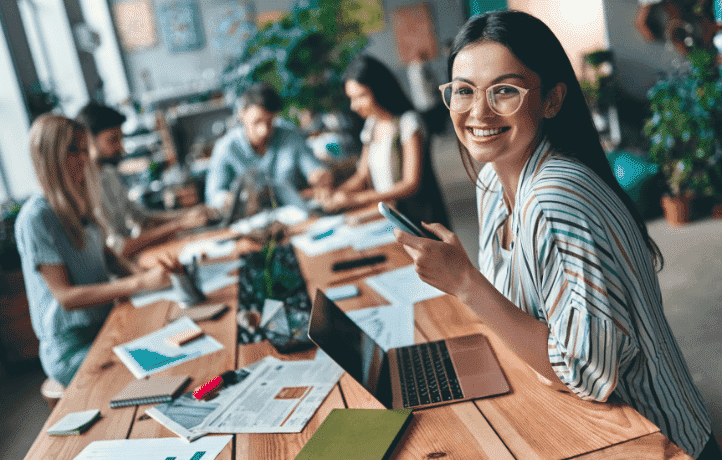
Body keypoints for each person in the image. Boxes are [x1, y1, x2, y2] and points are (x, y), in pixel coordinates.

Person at [394, 11, 720, 460]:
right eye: (464, 91)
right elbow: (525, 321)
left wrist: (466, 284)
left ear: (551, 100)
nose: (478, 111)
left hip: (651, 441)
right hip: (577, 419)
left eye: (504, 90)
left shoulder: (556, 196)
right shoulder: (492, 180)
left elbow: (584, 373)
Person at [15, 114, 177, 387]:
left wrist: (149, 274)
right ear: (49, 156)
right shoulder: (37, 218)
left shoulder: (81, 204)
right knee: (161, 367)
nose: (84, 158)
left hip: (106, 327)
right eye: (72, 150)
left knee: (171, 341)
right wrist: (139, 282)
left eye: (83, 148)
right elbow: (65, 297)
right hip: (73, 349)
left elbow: (109, 258)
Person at [320, 55, 450, 229]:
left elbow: (411, 183)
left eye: (360, 96)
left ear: (380, 89)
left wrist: (358, 198)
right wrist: (337, 194)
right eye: (351, 98)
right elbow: (362, 175)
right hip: (391, 217)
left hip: (420, 220)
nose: (354, 106)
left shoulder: (408, 123)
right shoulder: (371, 125)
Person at [76, 103, 209, 258]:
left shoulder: (109, 173)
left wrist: (189, 214)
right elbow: (119, 249)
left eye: (121, 138)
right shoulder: (85, 188)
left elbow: (142, 218)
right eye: (112, 140)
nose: (121, 148)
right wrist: (178, 224)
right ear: (88, 142)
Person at [204, 82, 332, 212]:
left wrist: (320, 177)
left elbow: (314, 169)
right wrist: (231, 200)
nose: (264, 130)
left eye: (269, 122)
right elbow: (213, 195)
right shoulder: (226, 147)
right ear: (242, 114)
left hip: (294, 215)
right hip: (249, 220)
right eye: (257, 121)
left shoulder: (289, 135)